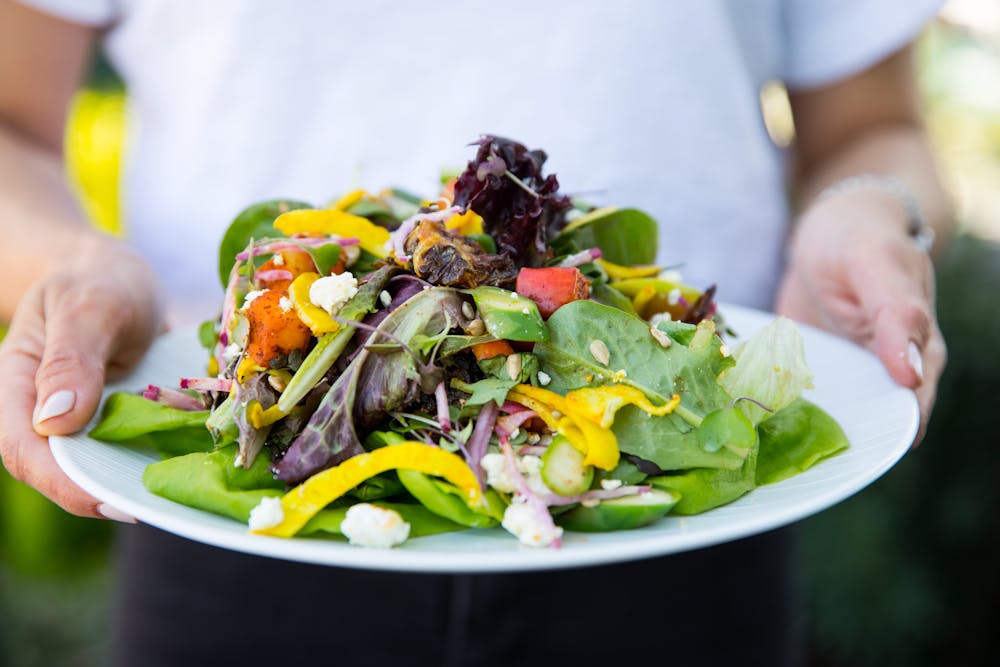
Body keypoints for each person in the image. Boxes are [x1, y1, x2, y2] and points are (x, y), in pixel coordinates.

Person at [0, 1, 950, 665]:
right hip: (245, 526)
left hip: (680, 516)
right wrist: (63, 262)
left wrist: (873, 207)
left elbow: (873, 125)